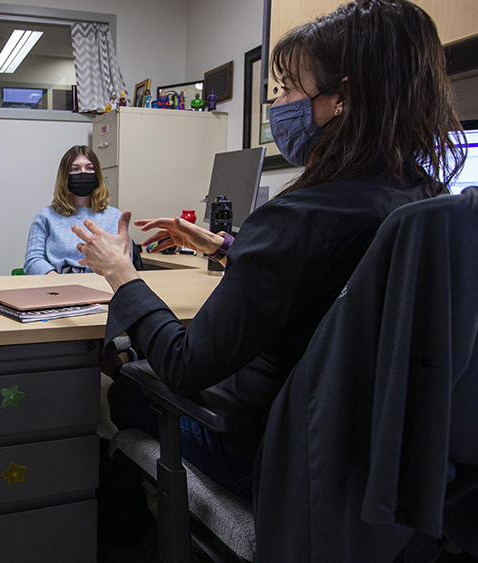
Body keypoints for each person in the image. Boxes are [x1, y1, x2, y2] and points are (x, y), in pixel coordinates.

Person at [72, 0, 464, 502]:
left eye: (288, 88)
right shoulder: (423, 199)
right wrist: (227, 246)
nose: (277, 104)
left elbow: (184, 363)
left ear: (339, 99)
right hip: (377, 458)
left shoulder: (299, 216)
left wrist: (121, 272)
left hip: (276, 460)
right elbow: (330, 277)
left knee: (127, 385)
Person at [24, 145, 122, 275]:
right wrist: (55, 280)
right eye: (75, 169)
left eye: (89, 168)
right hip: (58, 288)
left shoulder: (115, 217)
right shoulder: (45, 216)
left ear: (97, 174)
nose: (83, 173)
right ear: (65, 176)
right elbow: (33, 260)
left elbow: (124, 261)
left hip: (103, 285)